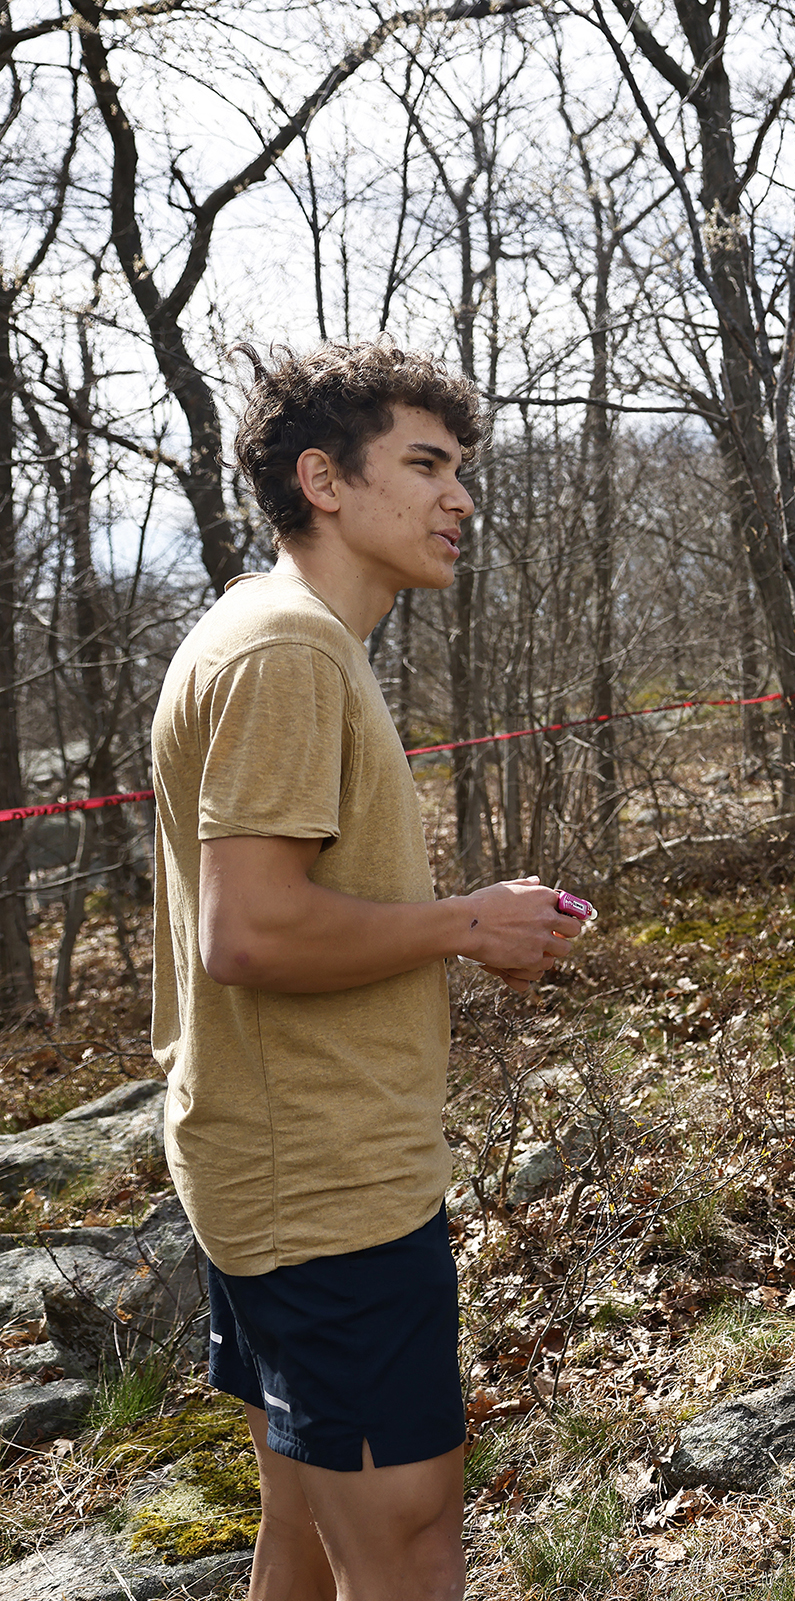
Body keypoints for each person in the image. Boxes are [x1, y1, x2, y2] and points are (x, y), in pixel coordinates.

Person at [151, 343, 586, 1601]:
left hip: (291, 1157)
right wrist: (465, 923)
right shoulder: (284, 650)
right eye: (427, 465)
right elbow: (253, 932)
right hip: (319, 1183)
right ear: (322, 480)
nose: (462, 499)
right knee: (409, 1544)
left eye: (463, 470)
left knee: (302, 1526)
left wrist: (468, 924)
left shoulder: (285, 636)